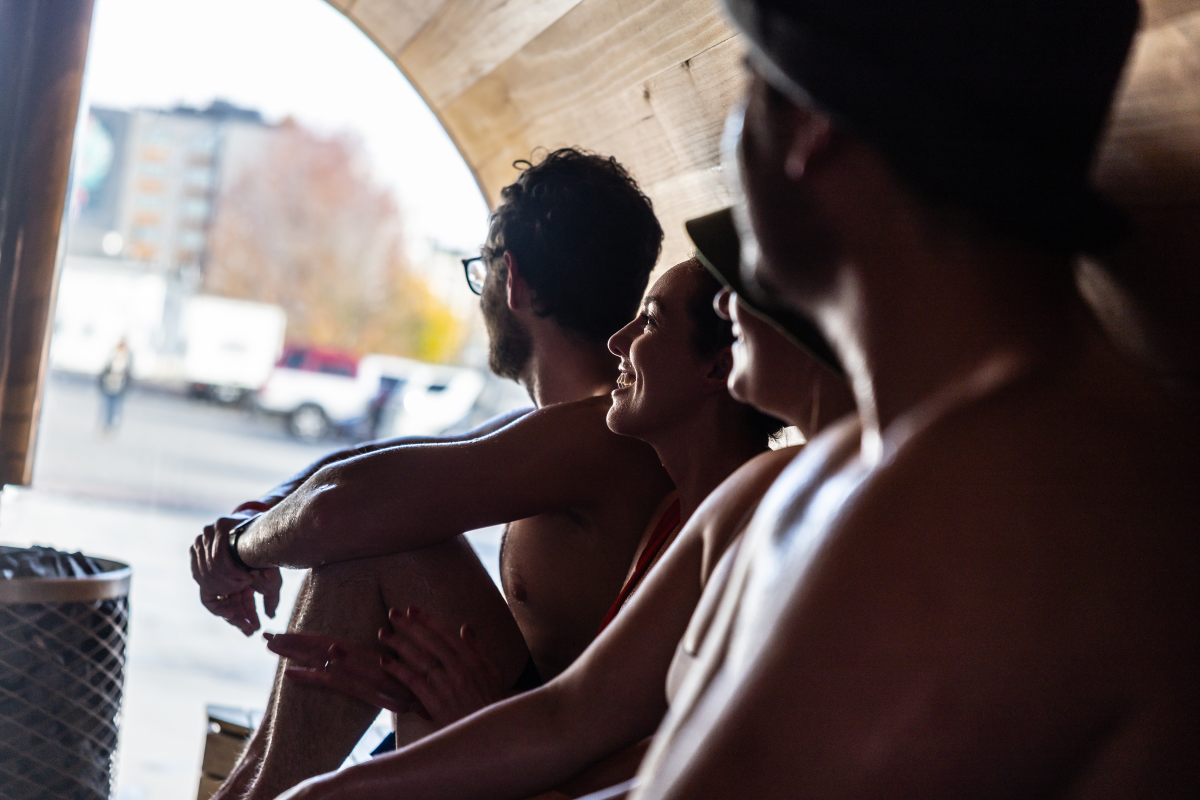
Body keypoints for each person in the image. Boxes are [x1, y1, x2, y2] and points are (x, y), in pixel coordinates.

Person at [629, 1, 1200, 798]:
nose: (734, 136)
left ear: (812, 126)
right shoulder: (864, 460)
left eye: (749, 83)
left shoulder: (1004, 505)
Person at [261, 228, 855, 800]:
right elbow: (578, 715)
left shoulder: (776, 507)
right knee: (387, 566)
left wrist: (483, 731)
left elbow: (679, 750)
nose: (619, 342)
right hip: (556, 769)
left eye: (650, 322)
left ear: (718, 366)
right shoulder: (692, 510)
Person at [191, 148, 678, 800]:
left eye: (482, 275)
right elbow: (373, 469)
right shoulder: (569, 428)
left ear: (515, 283)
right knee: (384, 532)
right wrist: (259, 513)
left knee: (384, 538)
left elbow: (343, 508)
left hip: (579, 777)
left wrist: (238, 550)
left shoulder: (604, 434)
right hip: (539, 734)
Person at [98, 338, 133, 431]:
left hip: (118, 387)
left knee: (115, 407)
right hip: (108, 384)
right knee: (106, 405)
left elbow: (128, 374)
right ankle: (104, 424)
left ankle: (111, 424)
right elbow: (106, 370)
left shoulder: (127, 358)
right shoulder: (113, 355)